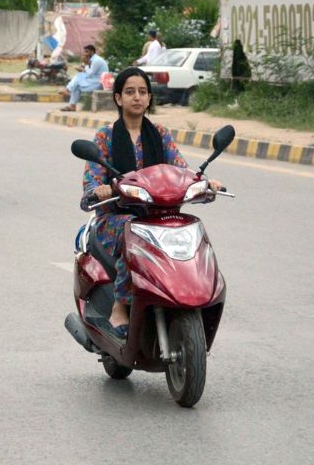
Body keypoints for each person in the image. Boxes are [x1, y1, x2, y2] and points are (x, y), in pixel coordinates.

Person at [79, 67, 222, 338]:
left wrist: (205, 183)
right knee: (131, 231)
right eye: (130, 92)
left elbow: (182, 170)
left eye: (142, 92)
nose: (137, 97)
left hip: (159, 216)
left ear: (149, 98)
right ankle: (120, 308)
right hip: (117, 219)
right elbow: (92, 179)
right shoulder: (105, 136)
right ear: (118, 98)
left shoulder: (160, 133)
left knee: (189, 231)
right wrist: (98, 190)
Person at [59, 44, 108, 112]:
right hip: (92, 81)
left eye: (87, 52)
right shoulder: (89, 59)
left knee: (79, 77)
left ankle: (68, 90)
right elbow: (85, 70)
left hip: (99, 82)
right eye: (84, 52)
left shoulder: (97, 60)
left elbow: (90, 73)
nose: (85, 54)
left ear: (92, 52)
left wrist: (84, 67)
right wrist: (82, 66)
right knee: (77, 84)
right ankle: (72, 106)